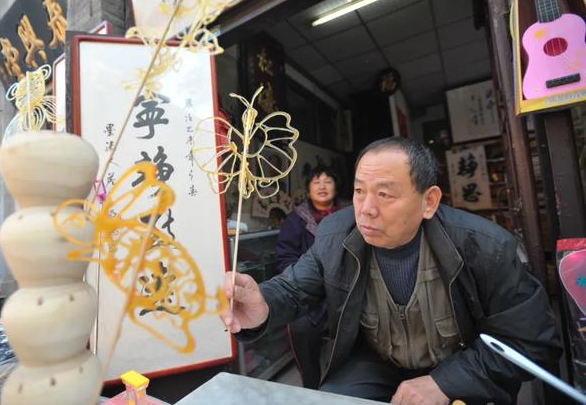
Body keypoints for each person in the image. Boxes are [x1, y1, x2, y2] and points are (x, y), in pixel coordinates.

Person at [221, 137, 561, 405]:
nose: (366, 210)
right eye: (358, 191)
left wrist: (447, 381)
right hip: (376, 363)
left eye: (384, 194)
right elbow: (295, 288)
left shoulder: (485, 247)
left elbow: (532, 342)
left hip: (461, 362)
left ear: (428, 201)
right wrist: (262, 304)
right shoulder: (337, 236)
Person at [276, 165, 344, 388]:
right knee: (300, 327)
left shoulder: (349, 214)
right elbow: (285, 257)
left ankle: (349, 383)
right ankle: (312, 386)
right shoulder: (296, 220)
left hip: (346, 291)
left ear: (336, 186)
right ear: (308, 189)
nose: (322, 186)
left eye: (328, 181)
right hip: (310, 294)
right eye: (317, 182)